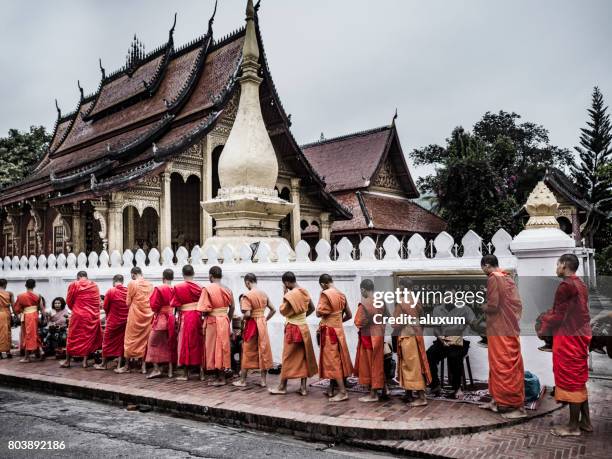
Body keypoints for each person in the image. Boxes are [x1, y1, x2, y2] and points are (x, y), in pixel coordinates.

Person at [539, 254, 592, 437]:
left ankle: (572, 426)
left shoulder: (565, 286)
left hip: (568, 338)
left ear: (563, 265)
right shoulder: (581, 285)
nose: (556, 267)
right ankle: (585, 422)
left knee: (571, 380)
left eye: (557, 264)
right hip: (579, 335)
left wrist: (544, 319)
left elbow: (559, 316)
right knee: (578, 378)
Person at [479, 255, 526, 419]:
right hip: (507, 328)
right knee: (499, 364)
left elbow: (493, 306)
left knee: (501, 365)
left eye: (482, 268)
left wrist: (483, 306)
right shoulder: (507, 277)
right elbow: (516, 305)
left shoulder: (494, 278)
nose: (483, 272)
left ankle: (509, 404)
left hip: (500, 329)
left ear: (486, 265)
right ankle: (496, 400)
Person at [269, 272, 318, 396]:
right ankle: (303, 388)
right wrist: (301, 317)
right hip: (303, 327)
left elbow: (283, 311)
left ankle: (282, 387)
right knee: (303, 357)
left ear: (286, 282)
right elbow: (312, 308)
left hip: (293, 328)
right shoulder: (304, 291)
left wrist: (285, 294)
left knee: (287, 357)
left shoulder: (290, 294)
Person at [427, 291, 478, 398]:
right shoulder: (437, 309)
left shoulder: (465, 309)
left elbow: (474, 324)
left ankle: (457, 388)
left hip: (459, 340)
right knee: (429, 354)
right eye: (447, 296)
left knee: (454, 356)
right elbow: (436, 330)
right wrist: (442, 339)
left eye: (452, 296)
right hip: (443, 340)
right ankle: (435, 384)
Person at [392, 277, 432, 406]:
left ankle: (421, 397)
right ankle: (408, 394)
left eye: (400, 286)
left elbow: (395, 324)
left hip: (407, 336)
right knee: (413, 364)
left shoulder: (402, 302)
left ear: (403, 287)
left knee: (411, 366)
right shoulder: (416, 300)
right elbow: (422, 318)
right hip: (416, 334)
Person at [232, 273, 275, 388]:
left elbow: (247, 313)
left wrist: (242, 318)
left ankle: (243, 381)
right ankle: (263, 381)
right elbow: (273, 310)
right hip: (262, 323)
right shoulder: (263, 294)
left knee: (247, 351)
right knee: (263, 350)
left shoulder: (247, 295)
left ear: (247, 282)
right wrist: (265, 319)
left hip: (252, 325)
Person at [316, 274, 353, 402]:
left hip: (329, 332)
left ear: (323, 284)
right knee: (337, 358)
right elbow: (349, 315)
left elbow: (318, 313)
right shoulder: (341, 294)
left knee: (333, 361)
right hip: (339, 330)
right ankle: (331, 389)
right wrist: (338, 321)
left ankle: (343, 392)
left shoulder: (325, 294)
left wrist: (321, 295)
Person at [198, 266, 234, 386]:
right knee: (223, 347)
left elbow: (203, 309)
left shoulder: (207, 289)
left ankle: (221, 378)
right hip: (224, 319)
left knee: (213, 348)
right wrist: (227, 317)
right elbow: (232, 307)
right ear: (221, 276)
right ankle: (220, 376)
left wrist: (207, 314)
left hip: (213, 320)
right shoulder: (228, 289)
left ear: (210, 276)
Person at [354, 279, 387, 402]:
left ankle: (373, 394)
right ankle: (384, 389)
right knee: (378, 363)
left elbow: (358, 322)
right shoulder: (381, 300)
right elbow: (387, 316)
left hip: (368, 336)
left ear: (363, 289)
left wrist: (369, 322)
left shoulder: (365, 304)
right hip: (379, 334)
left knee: (370, 365)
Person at [116, 267, 154, 374]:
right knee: (144, 341)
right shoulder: (150, 285)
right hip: (148, 316)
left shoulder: (132, 283)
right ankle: (143, 367)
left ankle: (127, 366)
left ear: (133, 274)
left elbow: (128, 302)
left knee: (129, 340)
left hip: (135, 315)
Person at [62, 271, 102, 368]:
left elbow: (69, 301)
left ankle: (67, 361)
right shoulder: (94, 285)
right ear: (86, 277)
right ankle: (84, 362)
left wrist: (76, 308)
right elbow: (97, 302)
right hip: (90, 315)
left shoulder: (74, 284)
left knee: (72, 337)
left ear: (78, 277)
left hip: (78, 314)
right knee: (87, 337)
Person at [170, 264, 203, 381]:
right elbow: (203, 303)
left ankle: (185, 374)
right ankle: (202, 373)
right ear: (193, 274)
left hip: (185, 316)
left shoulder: (177, 287)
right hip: (197, 316)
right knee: (199, 343)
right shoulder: (200, 287)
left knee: (185, 344)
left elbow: (175, 305)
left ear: (183, 274)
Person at [146, 268, 176, 379]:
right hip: (172, 318)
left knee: (152, 344)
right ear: (172, 278)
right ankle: (170, 371)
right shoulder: (175, 288)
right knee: (169, 345)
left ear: (163, 278)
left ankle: (156, 369)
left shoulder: (159, 288)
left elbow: (154, 306)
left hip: (161, 319)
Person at [94, 275, 128, 370]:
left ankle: (103, 364)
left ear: (114, 281)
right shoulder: (128, 290)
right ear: (122, 281)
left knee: (107, 342)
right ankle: (119, 365)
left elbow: (105, 306)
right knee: (121, 343)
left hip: (113, 320)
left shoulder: (111, 291)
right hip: (125, 321)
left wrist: (109, 314)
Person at [13, 279, 45, 363]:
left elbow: (16, 309)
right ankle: (41, 351)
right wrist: (44, 317)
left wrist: (19, 312)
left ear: (25, 285)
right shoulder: (38, 295)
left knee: (27, 335)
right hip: (35, 315)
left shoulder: (20, 296)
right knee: (34, 334)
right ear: (34, 286)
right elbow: (42, 308)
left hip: (27, 316)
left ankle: (27, 357)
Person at [0, 279, 14, 359]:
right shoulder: (9, 293)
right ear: (5, 284)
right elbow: (13, 305)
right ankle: (8, 352)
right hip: (6, 313)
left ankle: (0, 352)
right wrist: (16, 315)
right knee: (7, 332)